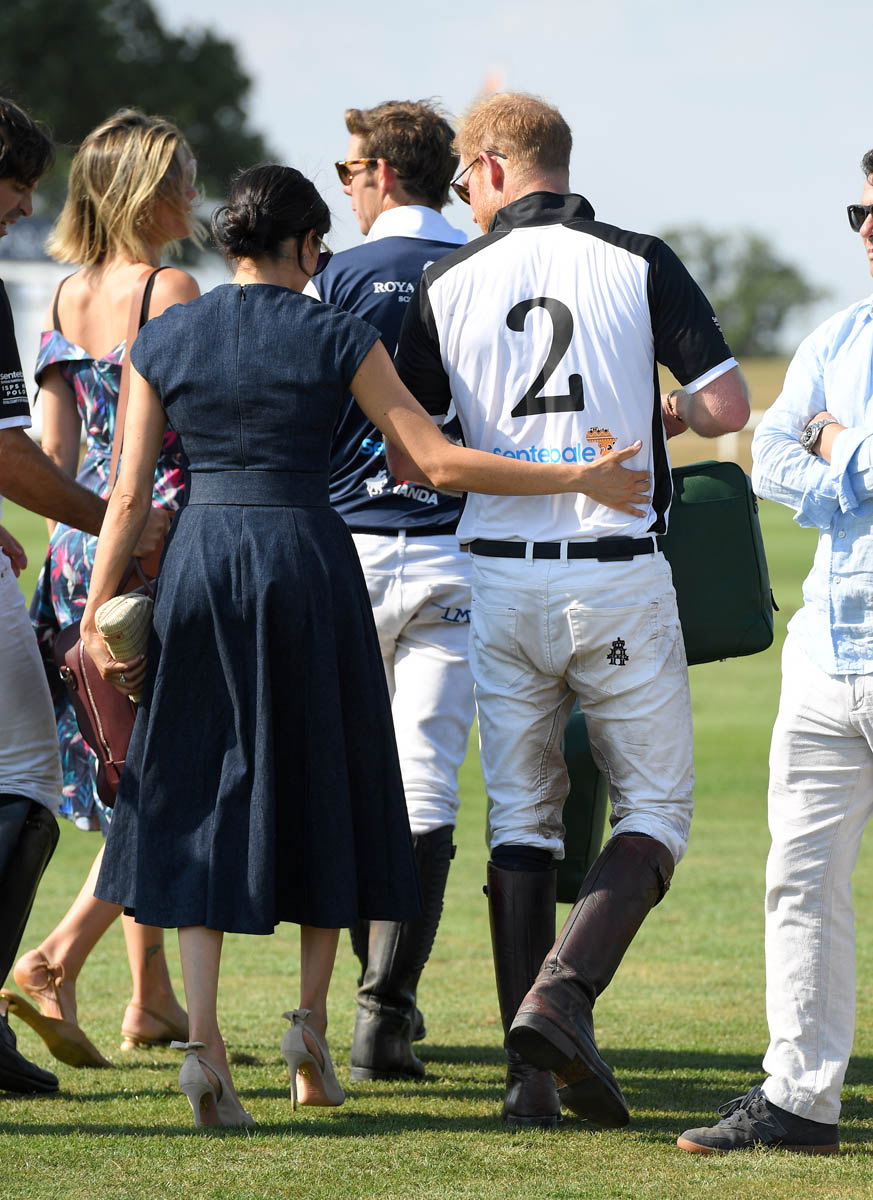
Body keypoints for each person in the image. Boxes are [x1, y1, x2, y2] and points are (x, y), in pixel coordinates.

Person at [77, 162, 653, 1128]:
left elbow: (130, 494)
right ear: (308, 247)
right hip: (308, 560)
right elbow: (431, 460)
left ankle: (205, 1046)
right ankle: (308, 1030)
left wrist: (100, 616)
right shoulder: (336, 333)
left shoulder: (165, 335)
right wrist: (574, 478)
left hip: (203, 564)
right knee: (328, 783)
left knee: (195, 790)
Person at [393, 92, 750, 1130]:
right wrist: (663, 411)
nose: (462, 196)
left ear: (492, 168)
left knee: (521, 816)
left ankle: (529, 1081)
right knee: (656, 811)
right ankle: (561, 996)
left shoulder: (446, 280)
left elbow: (415, 451)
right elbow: (725, 406)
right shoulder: (639, 258)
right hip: (615, 570)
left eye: (462, 179)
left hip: (498, 578)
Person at [676, 151, 873, 1157]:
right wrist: (841, 460)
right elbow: (768, 458)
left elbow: (822, 448)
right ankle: (799, 1101)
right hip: (827, 648)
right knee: (798, 880)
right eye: (858, 212)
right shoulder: (836, 337)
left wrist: (837, 442)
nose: (867, 229)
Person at [5, 109, 199, 1070]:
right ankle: (54, 957)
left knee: (127, 768)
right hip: (153, 544)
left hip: (77, 548)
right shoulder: (172, 290)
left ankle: (151, 997)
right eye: (182, 179)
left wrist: (79, 547)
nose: (195, 198)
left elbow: (53, 452)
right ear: (148, 195)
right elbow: (186, 431)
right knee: (167, 777)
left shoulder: (66, 294)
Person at [306, 99, 474, 1082]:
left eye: (348, 169)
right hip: (457, 551)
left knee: (341, 782)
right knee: (426, 786)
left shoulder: (334, 276)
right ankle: (383, 1016)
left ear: (380, 172)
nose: (345, 187)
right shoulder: (485, 264)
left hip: (347, 554)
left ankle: (345, 1007)